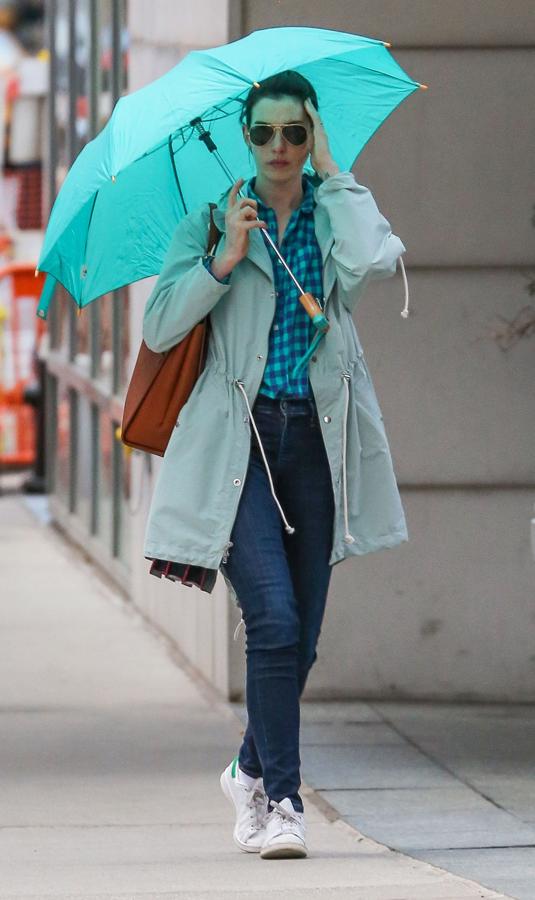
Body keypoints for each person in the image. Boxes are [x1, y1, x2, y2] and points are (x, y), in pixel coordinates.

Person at [142, 70, 408, 860]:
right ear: (245, 137)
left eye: (296, 132)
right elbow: (159, 328)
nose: (280, 147)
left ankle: (247, 765)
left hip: (316, 446)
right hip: (240, 449)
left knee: (305, 638)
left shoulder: (332, 215)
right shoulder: (212, 222)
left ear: (311, 136)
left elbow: (377, 263)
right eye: (265, 133)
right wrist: (223, 257)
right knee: (275, 622)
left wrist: (335, 171)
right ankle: (282, 801)